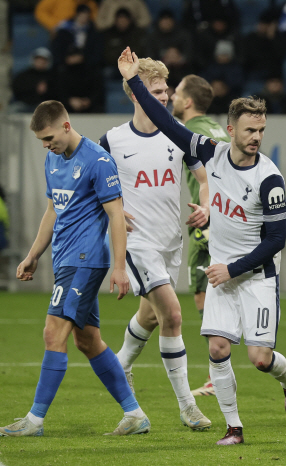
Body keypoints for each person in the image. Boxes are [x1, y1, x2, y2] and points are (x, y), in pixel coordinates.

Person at [118, 46, 286, 446]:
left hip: (255, 276)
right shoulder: (210, 152)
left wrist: (232, 269)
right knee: (218, 348)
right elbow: (166, 123)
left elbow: (277, 240)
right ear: (231, 128)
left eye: (261, 131)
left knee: (259, 359)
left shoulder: (270, 180)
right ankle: (234, 428)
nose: (256, 138)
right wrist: (134, 79)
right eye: (250, 130)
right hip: (221, 271)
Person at [0, 100, 150, 436]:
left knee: (53, 333)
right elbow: (53, 210)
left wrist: (120, 267)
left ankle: (34, 420)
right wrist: (33, 254)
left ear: (66, 126)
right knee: (89, 341)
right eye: (41, 140)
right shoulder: (52, 159)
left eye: (49, 137)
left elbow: (116, 215)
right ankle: (135, 414)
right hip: (64, 260)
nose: (45, 144)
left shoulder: (98, 161)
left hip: (85, 261)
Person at [99, 58, 212, 431]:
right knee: (173, 315)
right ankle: (187, 407)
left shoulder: (177, 133)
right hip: (138, 243)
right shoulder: (113, 140)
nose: (164, 97)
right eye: (156, 91)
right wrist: (111, 215)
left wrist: (207, 206)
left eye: (166, 91)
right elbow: (93, 190)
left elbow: (203, 175)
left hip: (170, 241)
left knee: (151, 315)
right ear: (135, 93)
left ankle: (120, 365)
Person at [170, 74, 232, 396]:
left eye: (177, 92)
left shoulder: (189, 132)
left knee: (204, 297)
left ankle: (217, 374)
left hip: (207, 224)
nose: (172, 96)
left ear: (188, 101)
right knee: (217, 295)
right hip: (228, 222)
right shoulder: (218, 129)